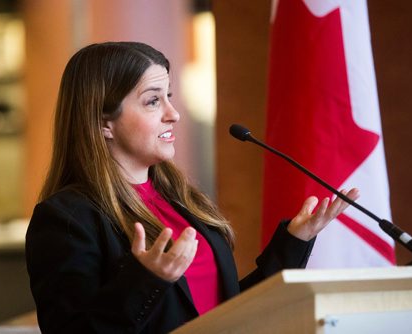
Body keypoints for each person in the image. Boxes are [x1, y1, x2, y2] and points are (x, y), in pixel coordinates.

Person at [25, 41, 359, 334]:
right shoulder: (66, 218)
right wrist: (146, 280)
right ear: (103, 123)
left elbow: (226, 311)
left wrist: (293, 242)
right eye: (153, 101)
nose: (174, 114)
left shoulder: (183, 201)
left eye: (168, 97)